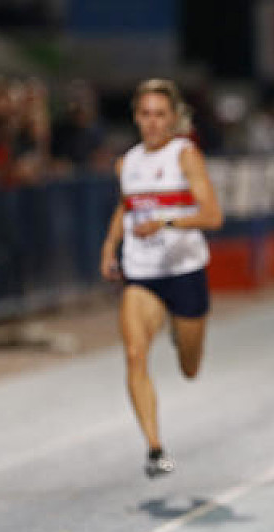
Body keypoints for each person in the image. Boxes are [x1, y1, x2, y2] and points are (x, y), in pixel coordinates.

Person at [99, 79, 223, 477]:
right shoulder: (127, 162)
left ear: (173, 118)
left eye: (160, 115)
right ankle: (155, 448)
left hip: (184, 270)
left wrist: (166, 221)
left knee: (190, 367)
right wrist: (110, 245)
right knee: (135, 354)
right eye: (145, 114)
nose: (152, 122)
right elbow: (127, 207)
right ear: (136, 117)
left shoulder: (185, 155)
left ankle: (180, 332)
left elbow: (213, 216)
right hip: (142, 274)